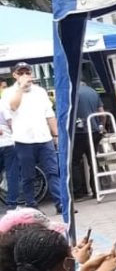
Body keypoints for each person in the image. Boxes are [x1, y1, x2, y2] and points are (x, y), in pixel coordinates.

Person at [3, 62, 61, 212]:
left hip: (44, 138)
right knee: (28, 175)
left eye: (27, 72)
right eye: (21, 73)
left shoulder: (40, 91)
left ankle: (60, 203)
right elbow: (13, 107)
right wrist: (21, 88)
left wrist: (56, 135)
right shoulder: (9, 92)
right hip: (23, 140)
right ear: (15, 75)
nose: (25, 76)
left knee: (53, 171)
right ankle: (31, 205)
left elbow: (50, 115)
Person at [71, 80, 106, 200]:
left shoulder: (71, 92)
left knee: (74, 161)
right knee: (93, 160)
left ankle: (79, 191)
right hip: (94, 131)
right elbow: (102, 113)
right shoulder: (93, 91)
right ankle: (96, 189)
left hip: (78, 132)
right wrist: (102, 126)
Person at [0, 97, 19, 212]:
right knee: (12, 174)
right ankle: (12, 204)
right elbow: (11, 123)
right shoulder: (3, 104)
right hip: (7, 143)